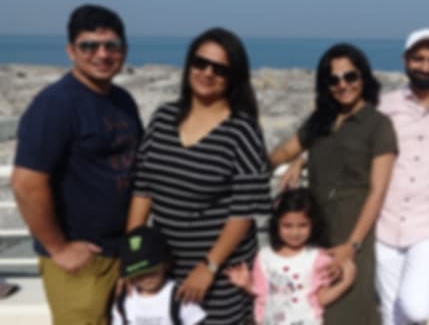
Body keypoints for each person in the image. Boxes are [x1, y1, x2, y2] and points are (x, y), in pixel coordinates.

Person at [126, 27, 272, 324]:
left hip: (218, 273)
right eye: (200, 62)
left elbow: (243, 212)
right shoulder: (164, 118)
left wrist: (209, 266)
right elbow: (143, 189)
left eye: (219, 68)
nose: (207, 73)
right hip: (161, 267)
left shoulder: (242, 130)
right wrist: (132, 258)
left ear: (234, 76)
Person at [11, 4, 142, 325]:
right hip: (81, 258)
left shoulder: (122, 100)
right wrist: (59, 248)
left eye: (111, 45)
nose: (102, 54)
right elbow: (26, 183)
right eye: (89, 46)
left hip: (121, 252)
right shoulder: (56, 104)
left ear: (124, 50)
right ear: (71, 51)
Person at [269, 43, 397, 324]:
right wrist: (295, 159)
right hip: (315, 231)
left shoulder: (378, 125)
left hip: (354, 231)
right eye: (334, 79)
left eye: (350, 76)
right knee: (312, 308)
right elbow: (283, 151)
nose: (343, 85)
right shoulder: (320, 121)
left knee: (351, 309)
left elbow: (377, 192)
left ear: (363, 77)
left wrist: (352, 244)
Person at [372, 28, 429, 324]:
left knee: (417, 308)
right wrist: (301, 159)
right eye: (418, 58)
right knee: (391, 313)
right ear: (405, 60)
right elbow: (355, 142)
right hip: (386, 222)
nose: (425, 66)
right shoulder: (384, 106)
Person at [225, 188, 356, 324]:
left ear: (313, 224)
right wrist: (247, 283)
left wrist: (345, 283)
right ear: (277, 224)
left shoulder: (318, 258)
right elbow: (262, 292)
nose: (295, 232)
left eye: (303, 225)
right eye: (287, 226)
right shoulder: (264, 257)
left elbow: (320, 298)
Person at [113, 226, 206, 325]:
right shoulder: (124, 300)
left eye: (151, 271)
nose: (146, 278)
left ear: (166, 264)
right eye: (139, 274)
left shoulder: (179, 297)